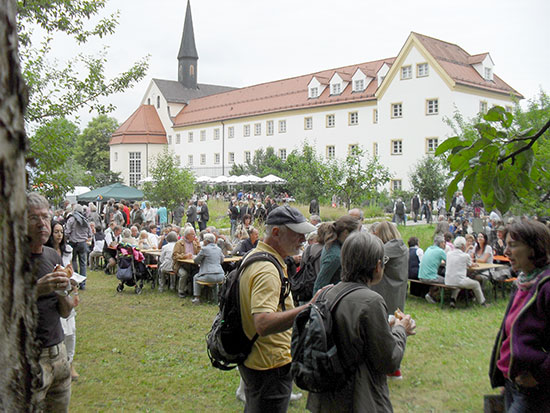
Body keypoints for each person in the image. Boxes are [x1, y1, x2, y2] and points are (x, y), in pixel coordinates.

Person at [306, 232, 416, 413]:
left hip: (326, 397)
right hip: (357, 398)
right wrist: (400, 329)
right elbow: (389, 360)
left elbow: (348, 332)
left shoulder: (326, 293)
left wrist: (384, 327)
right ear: (378, 266)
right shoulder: (371, 301)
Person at [238, 206, 319, 412]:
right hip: (270, 365)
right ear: (276, 233)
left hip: (256, 359)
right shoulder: (267, 269)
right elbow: (262, 323)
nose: (303, 239)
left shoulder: (255, 256)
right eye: (297, 233)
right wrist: (309, 307)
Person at [489, 220, 550, 412]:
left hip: (535, 389)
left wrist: (539, 374)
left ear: (535, 248)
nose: (506, 251)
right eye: (506, 245)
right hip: (512, 384)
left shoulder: (546, 287)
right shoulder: (523, 283)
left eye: (513, 245)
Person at [28, 193, 75, 411]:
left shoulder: (52, 256)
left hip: (59, 354)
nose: (42, 224)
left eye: (46, 217)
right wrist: (37, 289)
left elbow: (65, 312)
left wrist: (64, 292)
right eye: (33, 218)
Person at [371, 221, 409, 380]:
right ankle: (394, 368)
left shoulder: (384, 251)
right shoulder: (403, 249)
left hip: (384, 295)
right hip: (397, 295)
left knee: (383, 334)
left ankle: (391, 368)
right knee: (396, 330)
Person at [46, 221, 81, 382]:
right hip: (52, 293)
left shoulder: (68, 250)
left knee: (71, 330)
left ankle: (70, 363)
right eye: (56, 231)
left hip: (66, 290)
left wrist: (75, 290)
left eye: (61, 231)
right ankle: (58, 365)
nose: (59, 234)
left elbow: (71, 271)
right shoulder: (46, 252)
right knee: (61, 329)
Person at [312, 215, 360, 294]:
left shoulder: (336, 245)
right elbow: (319, 285)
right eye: (356, 233)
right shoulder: (334, 256)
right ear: (345, 232)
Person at [445, 236, 487, 308]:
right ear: (462, 246)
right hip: (459, 280)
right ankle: (482, 303)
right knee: (476, 284)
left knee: (457, 284)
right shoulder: (465, 256)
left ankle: (453, 300)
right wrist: (475, 264)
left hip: (448, 280)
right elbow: (471, 265)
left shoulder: (449, 254)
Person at [191, 233, 225, 304]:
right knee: (215, 282)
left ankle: (197, 298)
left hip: (208, 275)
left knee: (195, 277)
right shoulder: (219, 249)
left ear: (206, 241)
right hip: (221, 275)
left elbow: (196, 260)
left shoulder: (204, 249)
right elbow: (222, 260)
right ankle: (215, 299)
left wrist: (195, 258)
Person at [64, 204, 92, 289]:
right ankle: (83, 284)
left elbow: (67, 232)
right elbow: (90, 233)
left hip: (74, 243)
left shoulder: (72, 219)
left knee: (74, 261)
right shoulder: (85, 220)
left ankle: (75, 282)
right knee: (83, 264)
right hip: (83, 243)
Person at [172, 227, 201, 297]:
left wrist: (198, 244)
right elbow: (174, 256)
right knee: (184, 274)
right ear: (188, 235)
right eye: (193, 235)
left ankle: (193, 291)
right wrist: (184, 256)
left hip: (192, 264)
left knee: (197, 273)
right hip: (180, 265)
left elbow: (200, 254)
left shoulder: (194, 243)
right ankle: (181, 291)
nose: (194, 236)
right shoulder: (179, 243)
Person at [418, 235, 447, 303]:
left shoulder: (429, 248)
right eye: (443, 242)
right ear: (440, 243)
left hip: (421, 275)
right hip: (429, 277)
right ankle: (431, 295)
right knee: (447, 281)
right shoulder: (440, 251)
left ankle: (431, 294)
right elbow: (450, 262)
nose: (444, 244)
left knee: (437, 276)